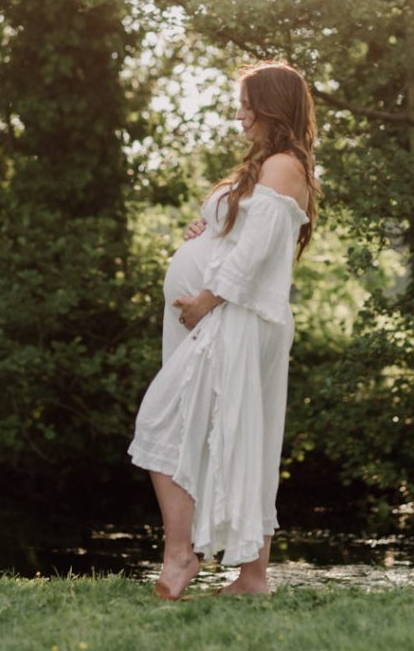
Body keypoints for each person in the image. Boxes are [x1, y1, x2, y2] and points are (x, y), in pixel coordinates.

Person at [127, 61, 319, 599]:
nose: (239, 115)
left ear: (270, 108)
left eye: (246, 105)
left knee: (161, 420)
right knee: (240, 435)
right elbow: (242, 232)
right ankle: (252, 578)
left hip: (233, 316)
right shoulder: (270, 166)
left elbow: (257, 252)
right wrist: (207, 227)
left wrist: (206, 300)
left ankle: (180, 557)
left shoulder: (283, 165)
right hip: (229, 316)